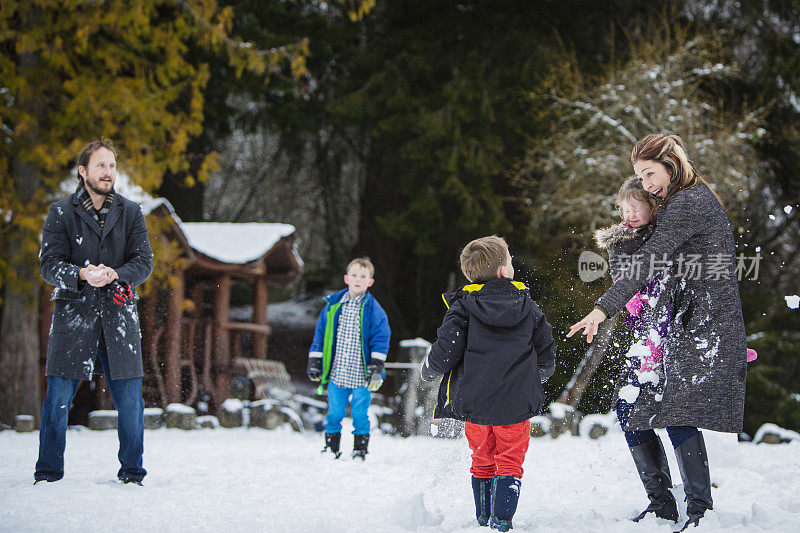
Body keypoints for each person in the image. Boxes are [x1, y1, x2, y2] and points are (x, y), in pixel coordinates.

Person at [569, 134, 748, 531]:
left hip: (698, 324)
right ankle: (663, 504)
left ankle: (702, 512)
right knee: (632, 409)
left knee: (676, 411)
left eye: (650, 173)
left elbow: (650, 261)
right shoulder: (674, 201)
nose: (647, 184)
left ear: (672, 163)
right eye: (640, 177)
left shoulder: (689, 202)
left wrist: (602, 307)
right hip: (669, 324)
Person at [36, 139, 154, 485]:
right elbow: (48, 265)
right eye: (101, 165)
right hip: (73, 316)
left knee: (130, 403)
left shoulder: (131, 211)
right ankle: (47, 472)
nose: (108, 172)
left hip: (119, 317)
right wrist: (80, 274)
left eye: (112, 166)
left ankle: (132, 472)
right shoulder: (60, 212)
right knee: (57, 400)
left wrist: (118, 274)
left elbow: (144, 261)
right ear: (83, 171)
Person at [420, 236, 556, 532]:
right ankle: (502, 519)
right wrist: (542, 373)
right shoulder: (527, 306)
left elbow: (447, 348)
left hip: (476, 404)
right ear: (505, 272)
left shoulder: (463, 308)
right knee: (510, 461)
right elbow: (545, 346)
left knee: (482, 458)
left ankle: (482, 518)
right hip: (515, 406)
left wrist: (430, 369)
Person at [306, 257, 391, 460]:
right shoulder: (333, 306)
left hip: (362, 374)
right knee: (334, 412)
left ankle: (360, 449)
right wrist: (315, 360)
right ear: (346, 278)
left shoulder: (373, 309)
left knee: (360, 413)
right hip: (338, 372)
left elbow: (381, 337)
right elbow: (320, 335)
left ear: (370, 281)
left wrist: (377, 364)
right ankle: (331, 447)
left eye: (363, 276)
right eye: (354, 275)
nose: (358, 279)